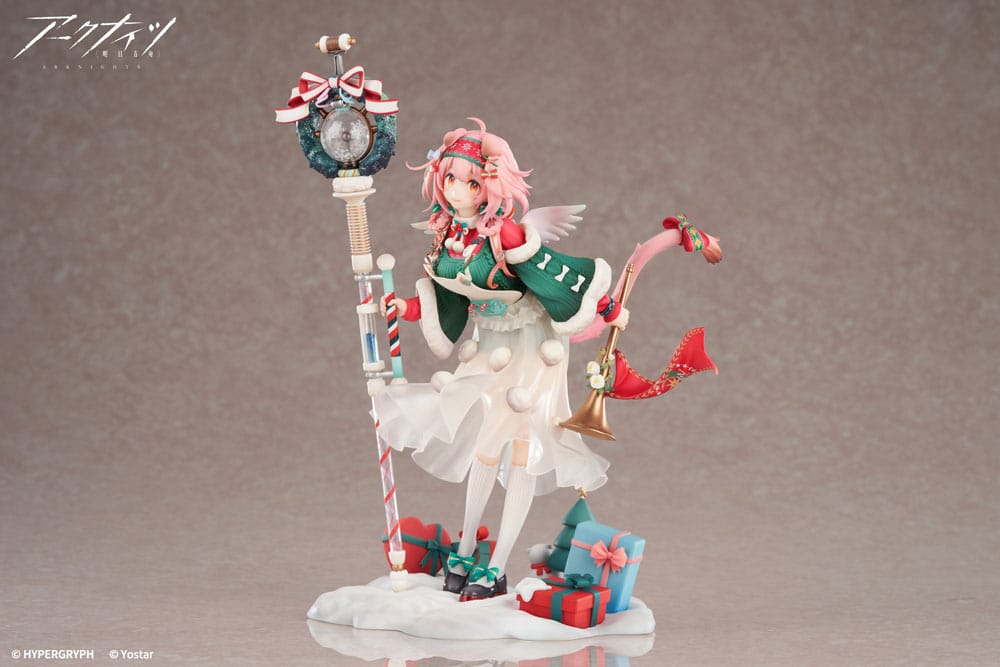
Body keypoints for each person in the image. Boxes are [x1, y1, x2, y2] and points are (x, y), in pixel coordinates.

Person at [375, 119, 646, 601]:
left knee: (520, 445)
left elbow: (551, 273)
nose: (458, 190)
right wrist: (407, 308)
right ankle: (465, 549)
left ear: (491, 185)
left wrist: (604, 307)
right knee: (485, 440)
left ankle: (496, 566)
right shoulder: (449, 234)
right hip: (489, 343)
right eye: (450, 178)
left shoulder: (506, 232)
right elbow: (449, 296)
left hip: (531, 346)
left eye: (471, 182)